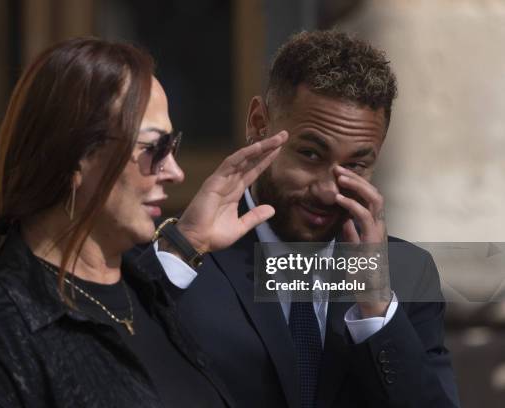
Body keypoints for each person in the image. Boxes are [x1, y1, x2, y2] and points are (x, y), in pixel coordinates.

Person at [0, 37, 288, 407]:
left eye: (173, 147)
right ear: (77, 158)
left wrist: (189, 242)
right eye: (153, 148)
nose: (174, 171)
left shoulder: (142, 291)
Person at [149, 31, 460, 407]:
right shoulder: (177, 259)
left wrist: (376, 311)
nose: (330, 190)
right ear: (259, 122)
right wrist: (184, 248)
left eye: (356, 165)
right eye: (311, 154)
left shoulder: (408, 273)